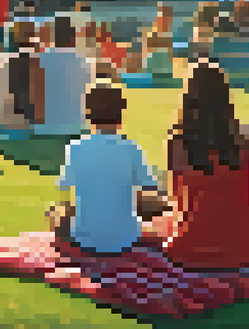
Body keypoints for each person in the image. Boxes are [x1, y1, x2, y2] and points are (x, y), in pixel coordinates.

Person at [163, 60, 249, 271]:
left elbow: (176, 198)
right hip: (247, 247)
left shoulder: (178, 142)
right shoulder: (245, 136)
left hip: (192, 250)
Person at [47, 85, 170, 255]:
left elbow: (65, 190)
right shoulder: (132, 148)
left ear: (87, 115)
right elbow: (149, 190)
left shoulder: (75, 148)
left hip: (84, 237)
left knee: (57, 212)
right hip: (126, 238)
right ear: (121, 114)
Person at [32, 16, 94, 137]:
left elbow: (35, 95)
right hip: (75, 127)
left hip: (46, 128)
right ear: (74, 37)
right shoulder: (85, 62)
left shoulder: (40, 60)